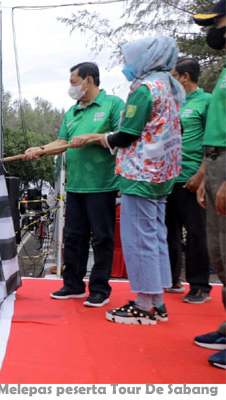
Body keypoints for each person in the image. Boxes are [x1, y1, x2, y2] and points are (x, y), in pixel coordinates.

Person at [72, 36, 185, 325]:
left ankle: (144, 303)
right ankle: (157, 301)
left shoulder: (144, 89)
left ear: (146, 59)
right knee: (156, 237)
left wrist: (100, 137)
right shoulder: (171, 87)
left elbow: (126, 134)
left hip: (140, 175)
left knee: (139, 240)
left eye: (129, 59)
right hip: (162, 174)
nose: (127, 66)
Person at [23, 62, 125, 307]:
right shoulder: (72, 112)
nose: (72, 87)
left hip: (102, 185)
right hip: (75, 186)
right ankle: (73, 284)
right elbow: (61, 141)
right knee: (74, 237)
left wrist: (91, 137)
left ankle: (100, 289)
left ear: (88, 81)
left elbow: (122, 138)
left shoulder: (113, 104)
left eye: (73, 82)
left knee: (101, 238)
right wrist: (40, 150)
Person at [192, 0, 226, 370]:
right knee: (221, 255)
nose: (214, 29)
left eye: (218, 21)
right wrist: (205, 172)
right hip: (216, 161)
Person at [165, 58, 213, 302]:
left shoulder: (207, 102)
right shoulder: (172, 103)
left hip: (192, 179)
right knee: (168, 233)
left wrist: (201, 174)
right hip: (167, 179)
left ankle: (199, 286)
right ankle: (171, 280)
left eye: (172, 76)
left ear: (184, 77)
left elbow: (213, 141)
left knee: (196, 234)